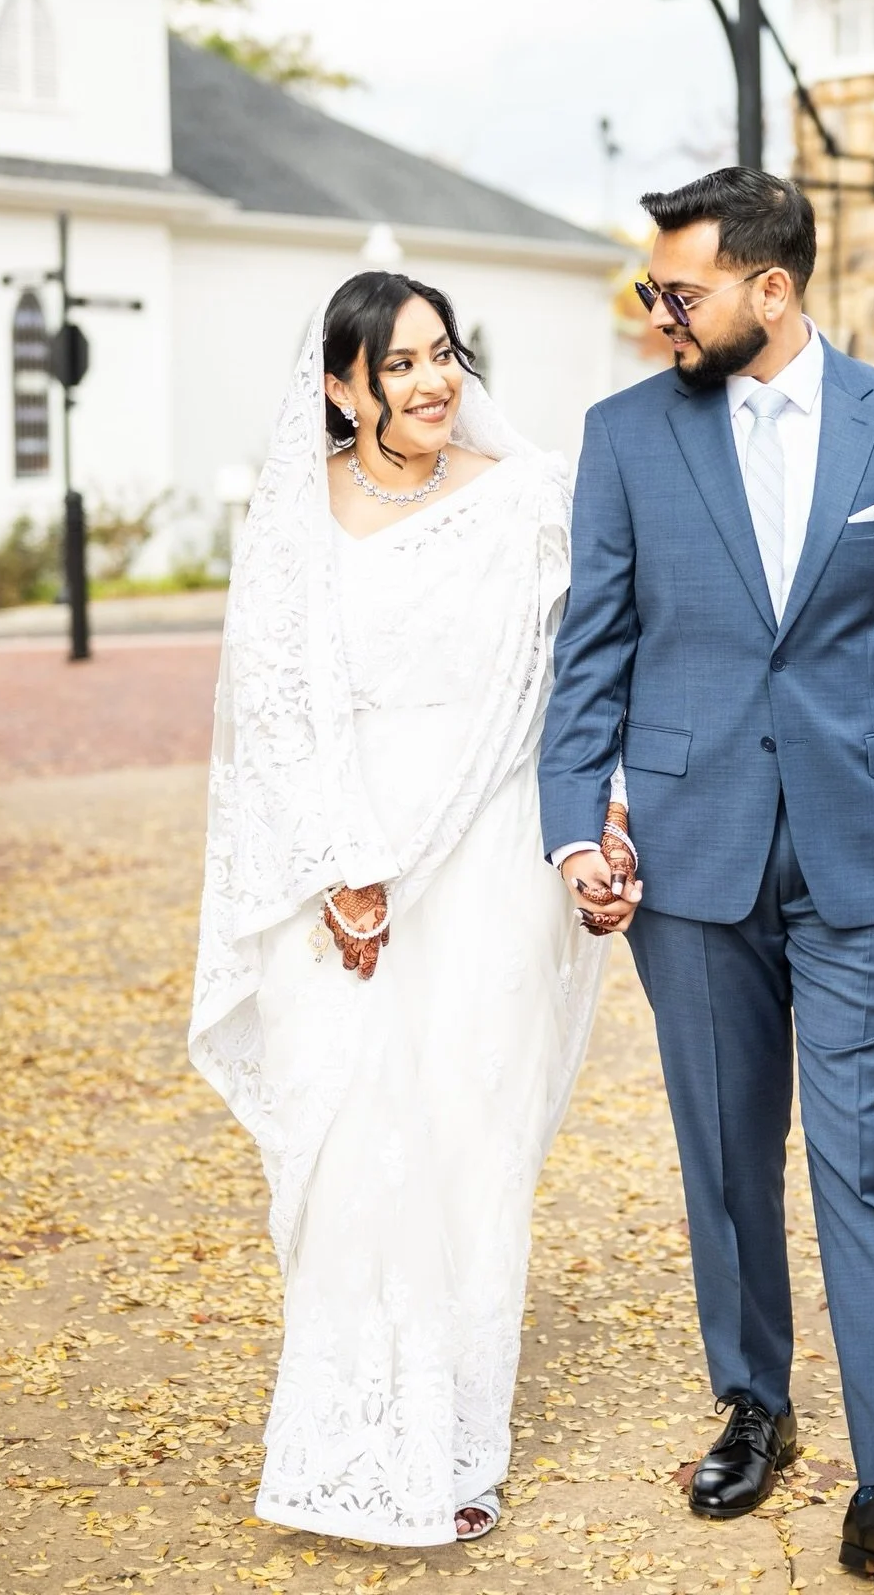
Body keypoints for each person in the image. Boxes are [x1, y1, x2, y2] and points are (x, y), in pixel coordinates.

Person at [538, 168, 874, 1592]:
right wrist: (576, 827)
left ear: (773, 289)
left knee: (863, 1156)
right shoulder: (624, 437)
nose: (657, 315)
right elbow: (592, 659)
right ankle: (755, 1401)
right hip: (689, 854)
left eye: (677, 292)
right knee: (726, 1153)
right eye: (651, 292)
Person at [190, 271, 630, 1549]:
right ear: (343, 385)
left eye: (444, 353)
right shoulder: (293, 515)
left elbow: (578, 682)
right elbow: (274, 707)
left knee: (468, 1141)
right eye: (399, 364)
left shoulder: (528, 499)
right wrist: (343, 864)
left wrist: (595, 824)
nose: (433, 381)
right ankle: (335, 1437)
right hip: (340, 857)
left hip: (488, 850)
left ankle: (456, 1445)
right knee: (347, 1151)